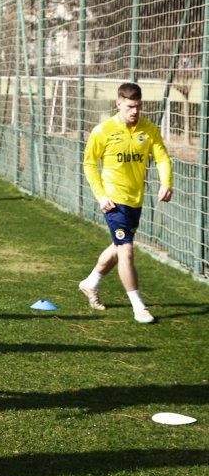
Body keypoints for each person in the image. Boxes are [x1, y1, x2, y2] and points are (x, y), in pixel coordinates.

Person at [79, 82, 172, 324]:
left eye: (138, 106)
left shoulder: (148, 129)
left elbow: (162, 157)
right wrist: (101, 196)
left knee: (119, 246)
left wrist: (166, 183)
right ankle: (139, 307)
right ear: (118, 104)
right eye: (130, 106)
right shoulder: (103, 131)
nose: (135, 111)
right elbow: (89, 164)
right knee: (126, 250)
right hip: (113, 201)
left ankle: (90, 283)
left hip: (135, 200)